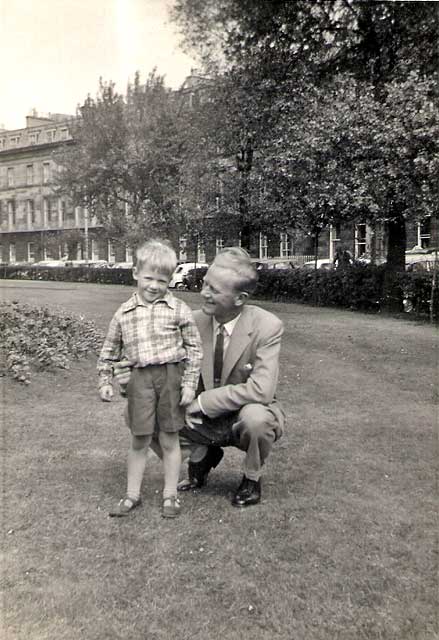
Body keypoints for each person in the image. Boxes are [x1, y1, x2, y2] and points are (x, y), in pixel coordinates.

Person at [97, 239, 202, 519]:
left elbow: (194, 349)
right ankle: (132, 495)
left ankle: (171, 496)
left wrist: (190, 384)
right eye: (148, 278)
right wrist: (106, 381)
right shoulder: (124, 313)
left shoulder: (179, 309)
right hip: (139, 379)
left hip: (170, 377)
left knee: (169, 439)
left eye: (162, 280)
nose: (154, 286)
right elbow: (108, 352)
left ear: (170, 279)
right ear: (135, 274)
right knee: (140, 439)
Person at [177, 247, 285, 508]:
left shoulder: (267, 326)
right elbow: (168, 366)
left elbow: (261, 391)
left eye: (213, 290)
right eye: (204, 284)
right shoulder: (191, 321)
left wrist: (202, 403)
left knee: (257, 420)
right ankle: (203, 455)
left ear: (240, 298)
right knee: (153, 410)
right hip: (203, 417)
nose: (203, 293)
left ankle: (251, 479)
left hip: (242, 414)